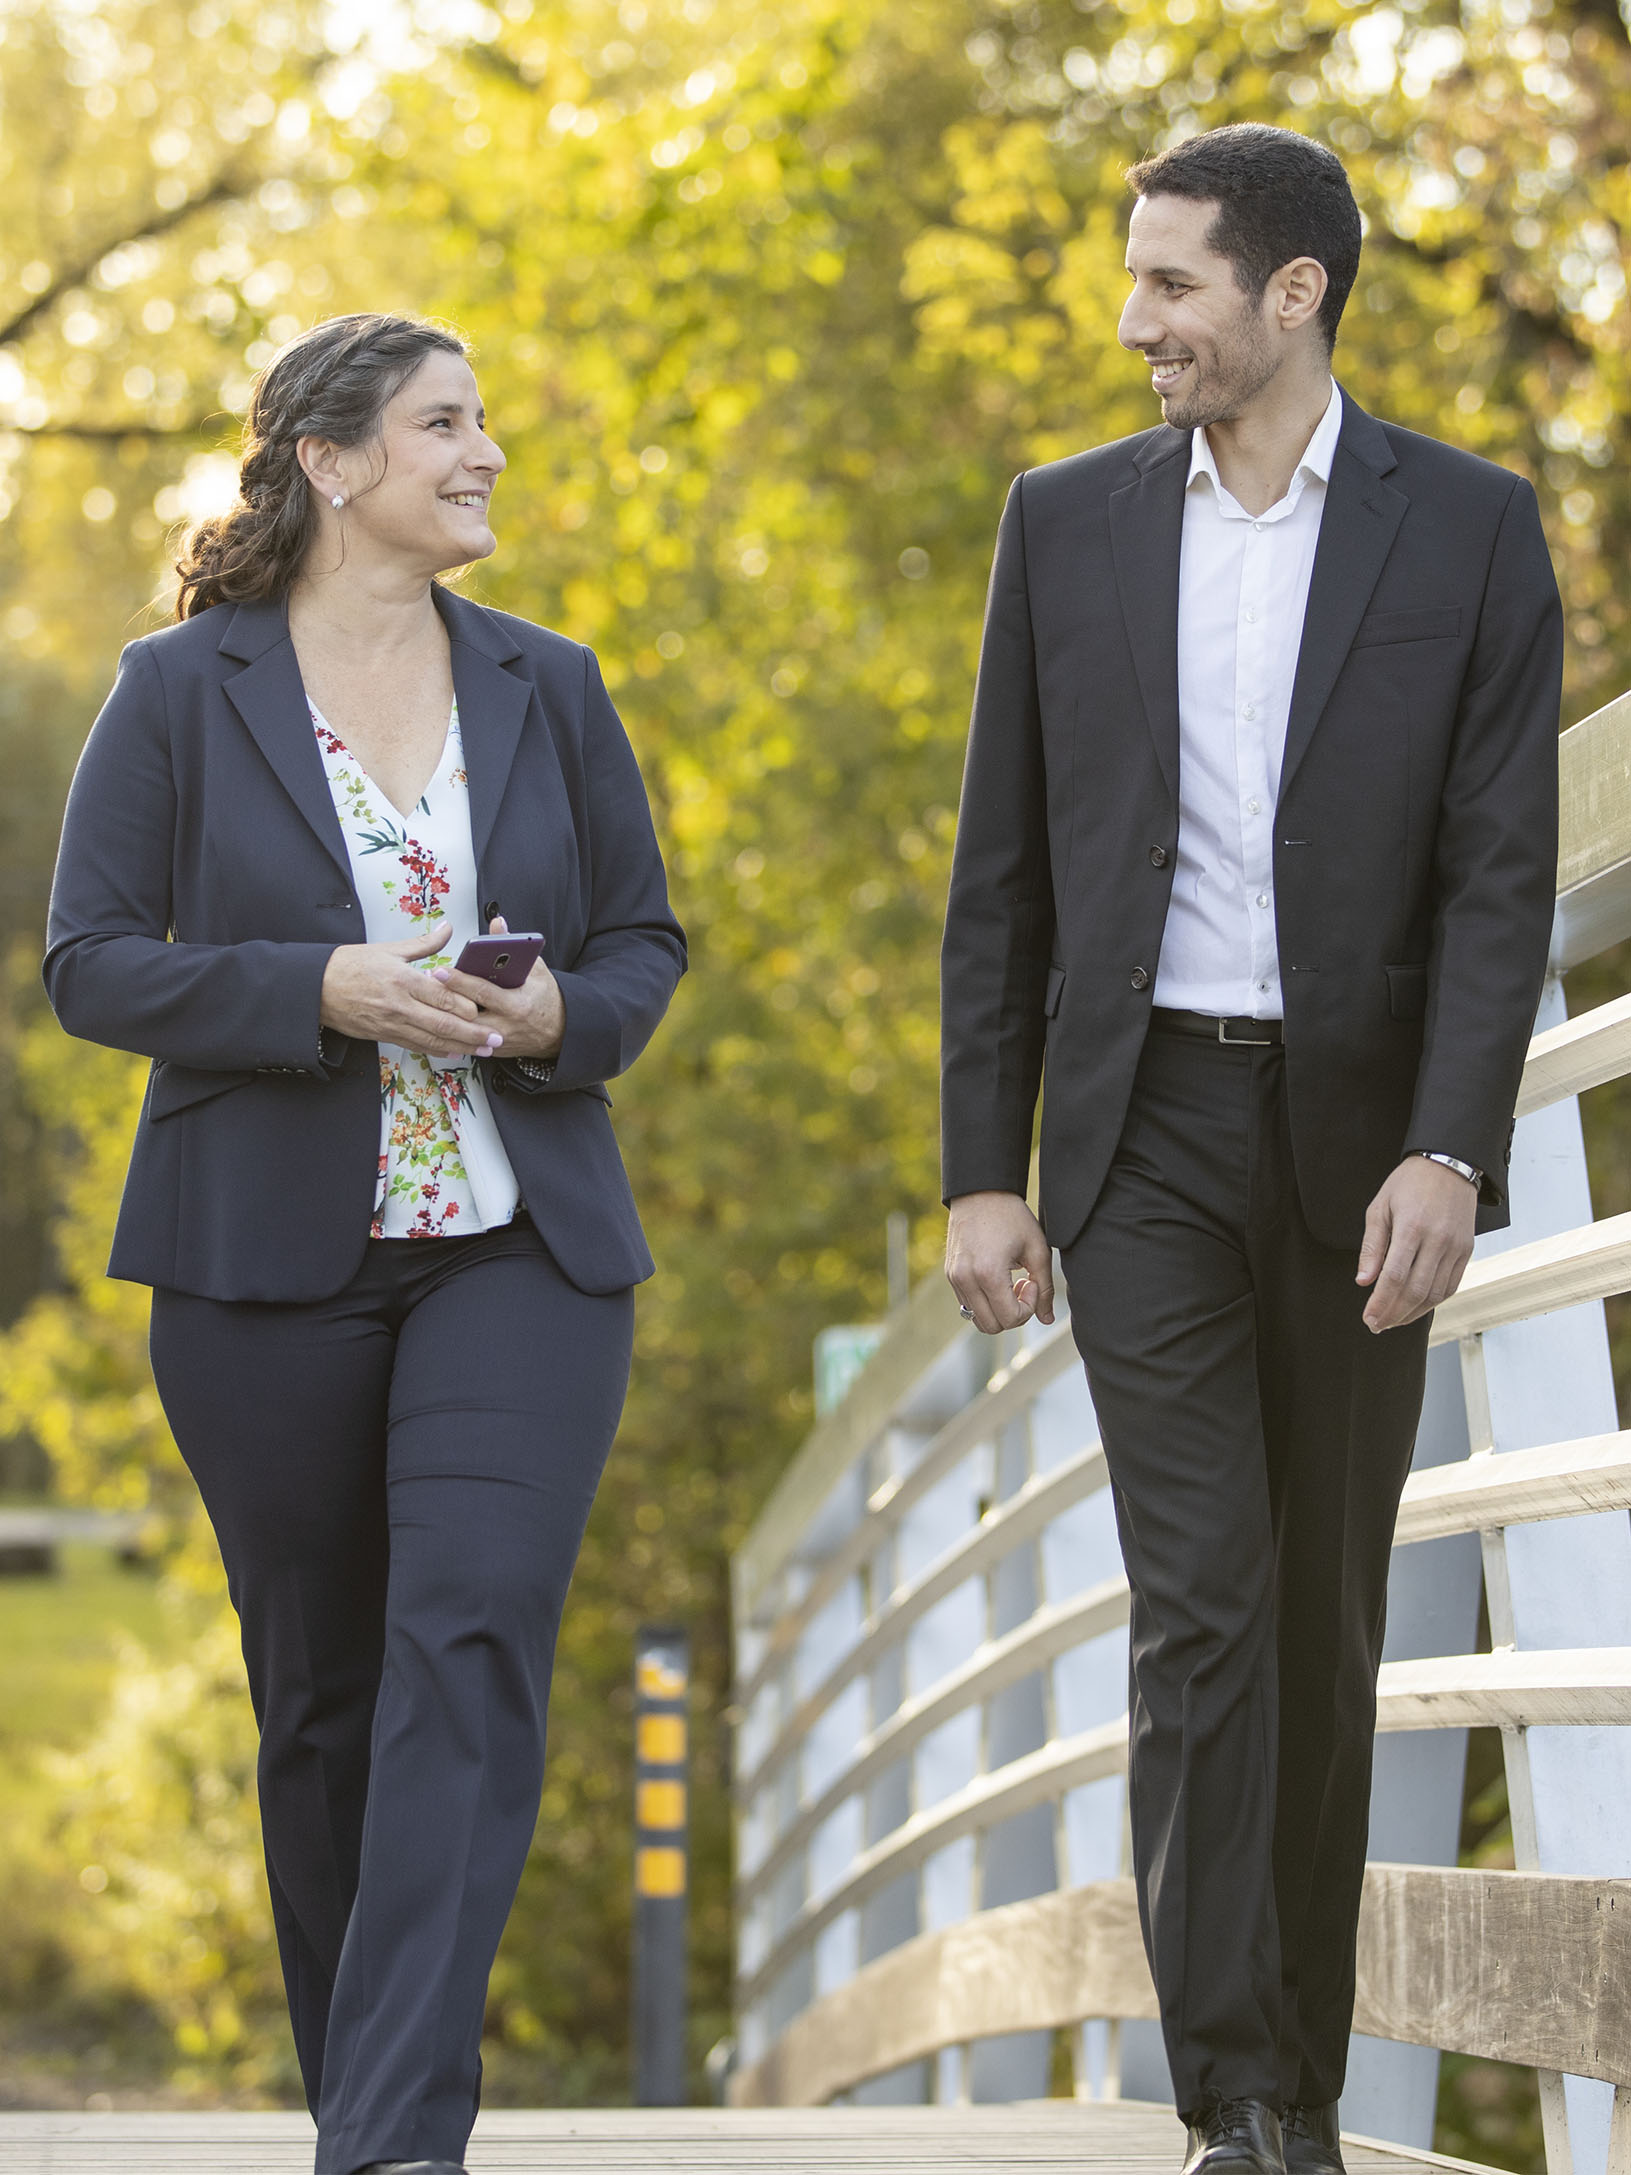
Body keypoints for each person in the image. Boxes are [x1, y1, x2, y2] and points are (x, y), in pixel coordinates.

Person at [940, 126, 1560, 2175]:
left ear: (1295, 294)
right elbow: (1000, 876)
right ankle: (1247, 2091)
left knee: (1327, 1606)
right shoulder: (1066, 525)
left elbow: (1500, 877)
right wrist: (982, 1164)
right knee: (1202, 1597)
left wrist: (1454, 1145)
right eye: (1137, 284)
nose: (1141, 325)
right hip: (1141, 1140)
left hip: (1359, 1138)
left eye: (1177, 286)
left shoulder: (1469, 531)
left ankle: (1290, 2048)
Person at [44, 312, 686, 2175]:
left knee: (469, 1636)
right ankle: (374, 2104)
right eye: (442, 424)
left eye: (485, 421)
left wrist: (565, 1020)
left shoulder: (552, 685)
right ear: (330, 463)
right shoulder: (179, 689)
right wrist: (319, 983)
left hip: (519, 1243)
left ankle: (392, 2146)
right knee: (322, 1707)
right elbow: (90, 963)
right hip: (262, 1271)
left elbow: (643, 944)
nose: (483, 452)